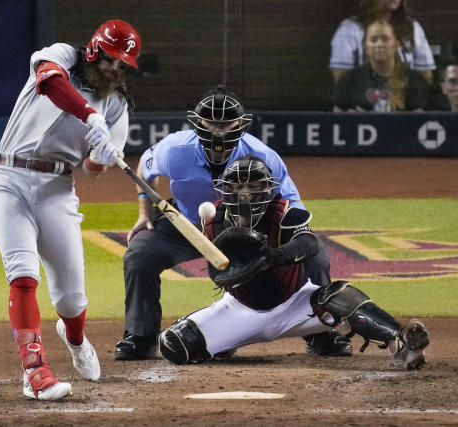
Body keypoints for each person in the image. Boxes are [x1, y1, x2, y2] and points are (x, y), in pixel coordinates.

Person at [115, 85, 352, 361]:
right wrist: (145, 213)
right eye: (211, 122)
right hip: (187, 224)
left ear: (241, 123)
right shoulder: (175, 149)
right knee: (140, 254)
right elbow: (145, 166)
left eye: (226, 123)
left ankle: (321, 331)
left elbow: (292, 206)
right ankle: (140, 337)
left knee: (316, 257)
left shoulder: (263, 156)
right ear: (198, 121)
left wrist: (289, 246)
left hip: (250, 230)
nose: (218, 130)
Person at [0, 20, 141, 401]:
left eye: (122, 65)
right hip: (9, 178)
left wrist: (102, 158)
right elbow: (51, 83)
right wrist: (90, 116)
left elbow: (92, 169)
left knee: (71, 300)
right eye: (110, 60)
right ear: (94, 51)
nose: (114, 70)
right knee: (22, 275)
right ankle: (35, 372)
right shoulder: (61, 57)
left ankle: (74, 339)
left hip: (57, 190)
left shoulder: (117, 106)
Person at [157, 156, 430, 372]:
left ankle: (401, 343)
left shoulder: (286, 213)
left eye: (253, 186)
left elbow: (309, 243)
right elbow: (219, 276)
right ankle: (226, 343)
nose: (245, 194)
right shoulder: (213, 221)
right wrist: (236, 270)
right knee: (173, 344)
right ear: (226, 189)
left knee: (337, 293)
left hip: (297, 305)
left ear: (268, 188)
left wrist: (274, 256)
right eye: (238, 186)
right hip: (241, 311)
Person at [332, 19, 428, 112]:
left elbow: (419, 120)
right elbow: (336, 119)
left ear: (396, 44)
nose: (379, 44)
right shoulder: (349, 80)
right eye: (373, 40)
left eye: (385, 39)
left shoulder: (414, 79)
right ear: (365, 46)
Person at [330, 0, 435, 84]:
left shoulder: (412, 27)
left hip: (405, 101)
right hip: (363, 103)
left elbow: (425, 74)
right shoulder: (349, 29)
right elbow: (340, 79)